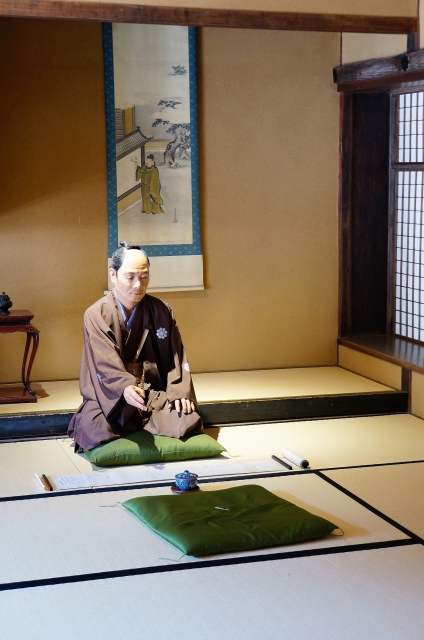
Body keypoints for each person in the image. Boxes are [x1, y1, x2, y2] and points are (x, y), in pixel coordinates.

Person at [68, 241, 202, 451]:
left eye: (144, 276)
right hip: (111, 396)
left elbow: (176, 356)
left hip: (150, 391)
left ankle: (142, 422)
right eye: (130, 277)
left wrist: (180, 391)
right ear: (113, 275)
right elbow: (103, 362)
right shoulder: (97, 314)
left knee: (187, 417)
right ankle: (140, 422)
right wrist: (124, 388)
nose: (138, 285)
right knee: (92, 428)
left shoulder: (161, 310)